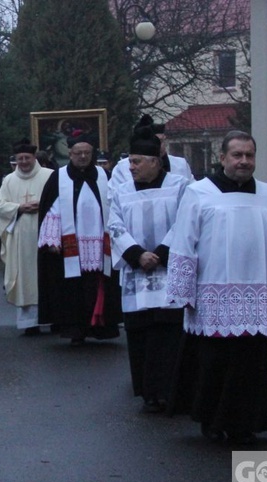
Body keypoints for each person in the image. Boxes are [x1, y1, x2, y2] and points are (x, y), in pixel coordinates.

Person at [166, 130, 267, 444]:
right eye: (237, 155)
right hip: (213, 294)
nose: (244, 161)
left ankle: (246, 423)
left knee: (251, 364)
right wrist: (183, 290)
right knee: (215, 361)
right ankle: (214, 420)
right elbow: (184, 243)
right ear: (222, 158)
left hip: (258, 295)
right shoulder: (199, 193)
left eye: (249, 155)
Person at [107, 127, 189, 413]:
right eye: (130, 162)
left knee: (168, 331)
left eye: (136, 162)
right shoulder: (120, 191)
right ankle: (148, 392)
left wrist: (162, 254)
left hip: (169, 270)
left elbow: (185, 223)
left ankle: (172, 390)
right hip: (136, 271)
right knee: (141, 331)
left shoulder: (180, 187)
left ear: (155, 160)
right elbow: (114, 226)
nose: (131, 167)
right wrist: (137, 254)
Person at [37, 137, 120, 345]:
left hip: (100, 244)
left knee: (98, 286)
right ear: (70, 154)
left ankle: (101, 327)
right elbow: (51, 209)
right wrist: (52, 239)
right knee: (73, 289)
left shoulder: (104, 175)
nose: (83, 156)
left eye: (87, 153)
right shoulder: (59, 177)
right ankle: (76, 330)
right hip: (70, 246)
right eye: (78, 153)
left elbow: (116, 206)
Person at [0, 139, 53, 335]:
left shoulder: (50, 176)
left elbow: (59, 201)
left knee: (48, 274)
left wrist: (43, 205)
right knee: (25, 279)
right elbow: (0, 206)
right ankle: (30, 323)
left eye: (27, 158)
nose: (24, 162)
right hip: (20, 237)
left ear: (34, 157)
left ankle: (54, 318)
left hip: (46, 233)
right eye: (20, 159)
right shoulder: (9, 180)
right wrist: (19, 207)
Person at [112, 115, 194, 185]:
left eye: (161, 141)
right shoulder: (122, 168)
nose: (159, 146)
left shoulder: (180, 165)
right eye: (155, 142)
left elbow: (192, 192)